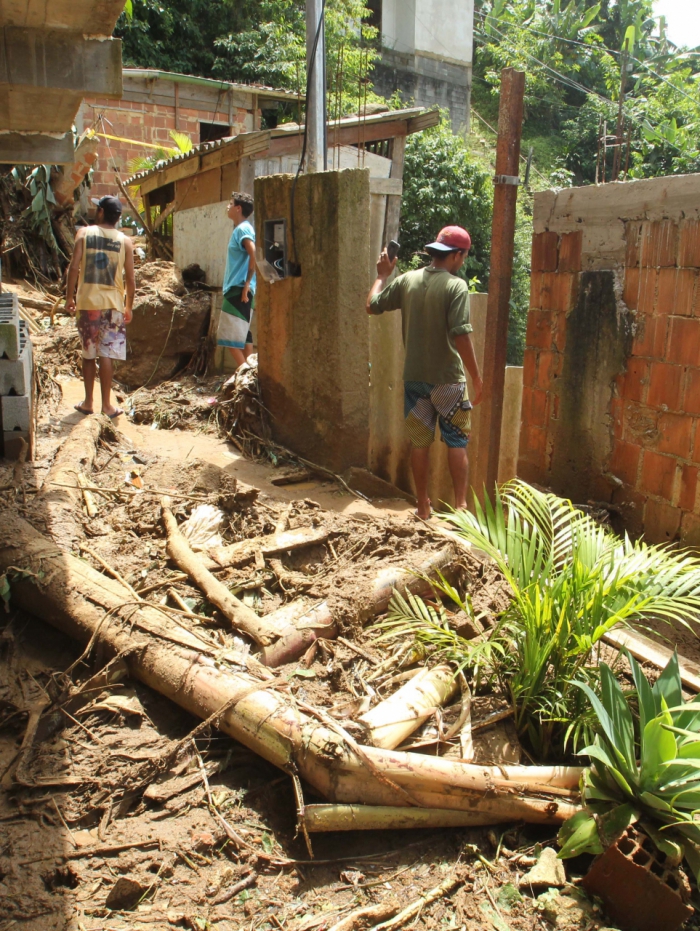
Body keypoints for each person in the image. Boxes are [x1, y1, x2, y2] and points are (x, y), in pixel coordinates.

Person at [366, 226, 483, 519]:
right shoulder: (456, 286)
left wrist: (382, 276)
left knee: (420, 443)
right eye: (464, 256)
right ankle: (460, 509)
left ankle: (422, 506)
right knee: (457, 440)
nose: (463, 261)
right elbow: (461, 335)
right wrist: (477, 377)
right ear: (456, 255)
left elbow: (372, 306)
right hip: (448, 381)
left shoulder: (407, 281)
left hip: (415, 380)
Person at [65, 195, 135, 419]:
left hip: (88, 303)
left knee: (88, 354)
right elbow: (131, 280)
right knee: (107, 355)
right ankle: (107, 406)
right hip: (113, 305)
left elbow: (74, 268)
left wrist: (69, 298)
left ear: (102, 212)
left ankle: (88, 403)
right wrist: (129, 307)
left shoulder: (84, 234)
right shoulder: (125, 241)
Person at [217, 191, 257, 368]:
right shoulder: (243, 228)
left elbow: (253, 252)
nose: (228, 206)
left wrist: (247, 283)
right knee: (243, 336)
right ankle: (250, 374)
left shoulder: (243, 228)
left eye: (230, 203)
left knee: (228, 339)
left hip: (238, 289)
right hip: (241, 288)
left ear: (238, 208)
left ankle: (245, 375)